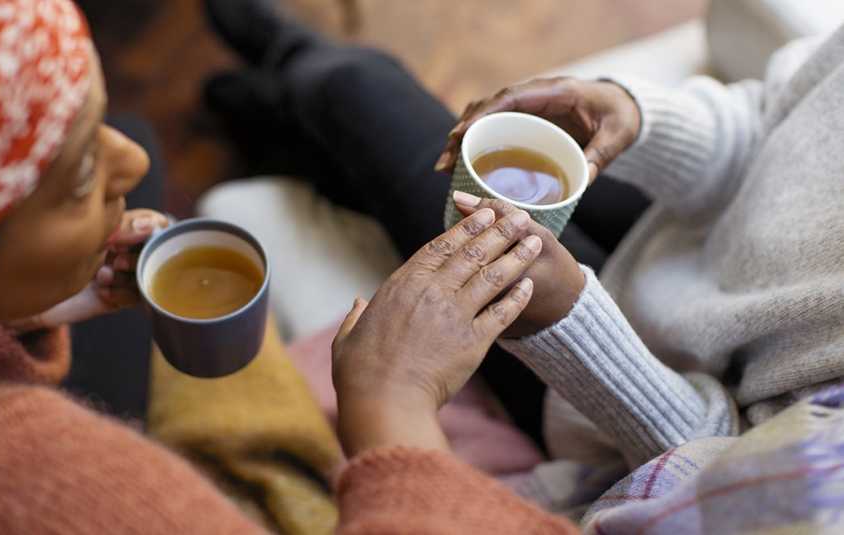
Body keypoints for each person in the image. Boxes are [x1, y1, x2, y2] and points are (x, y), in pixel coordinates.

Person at [0, 0, 585, 533]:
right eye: (81, 169)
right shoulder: (59, 487)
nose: (131, 162)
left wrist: (20, 310)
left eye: (97, 122)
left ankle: (263, 95)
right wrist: (393, 408)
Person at [199, 0, 844, 527]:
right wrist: (644, 120)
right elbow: (770, 121)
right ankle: (284, 106)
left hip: (619, 380)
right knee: (362, 113)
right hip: (676, 232)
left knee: (356, 92)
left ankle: (284, 90)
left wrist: (568, 323)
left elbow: (711, 481)